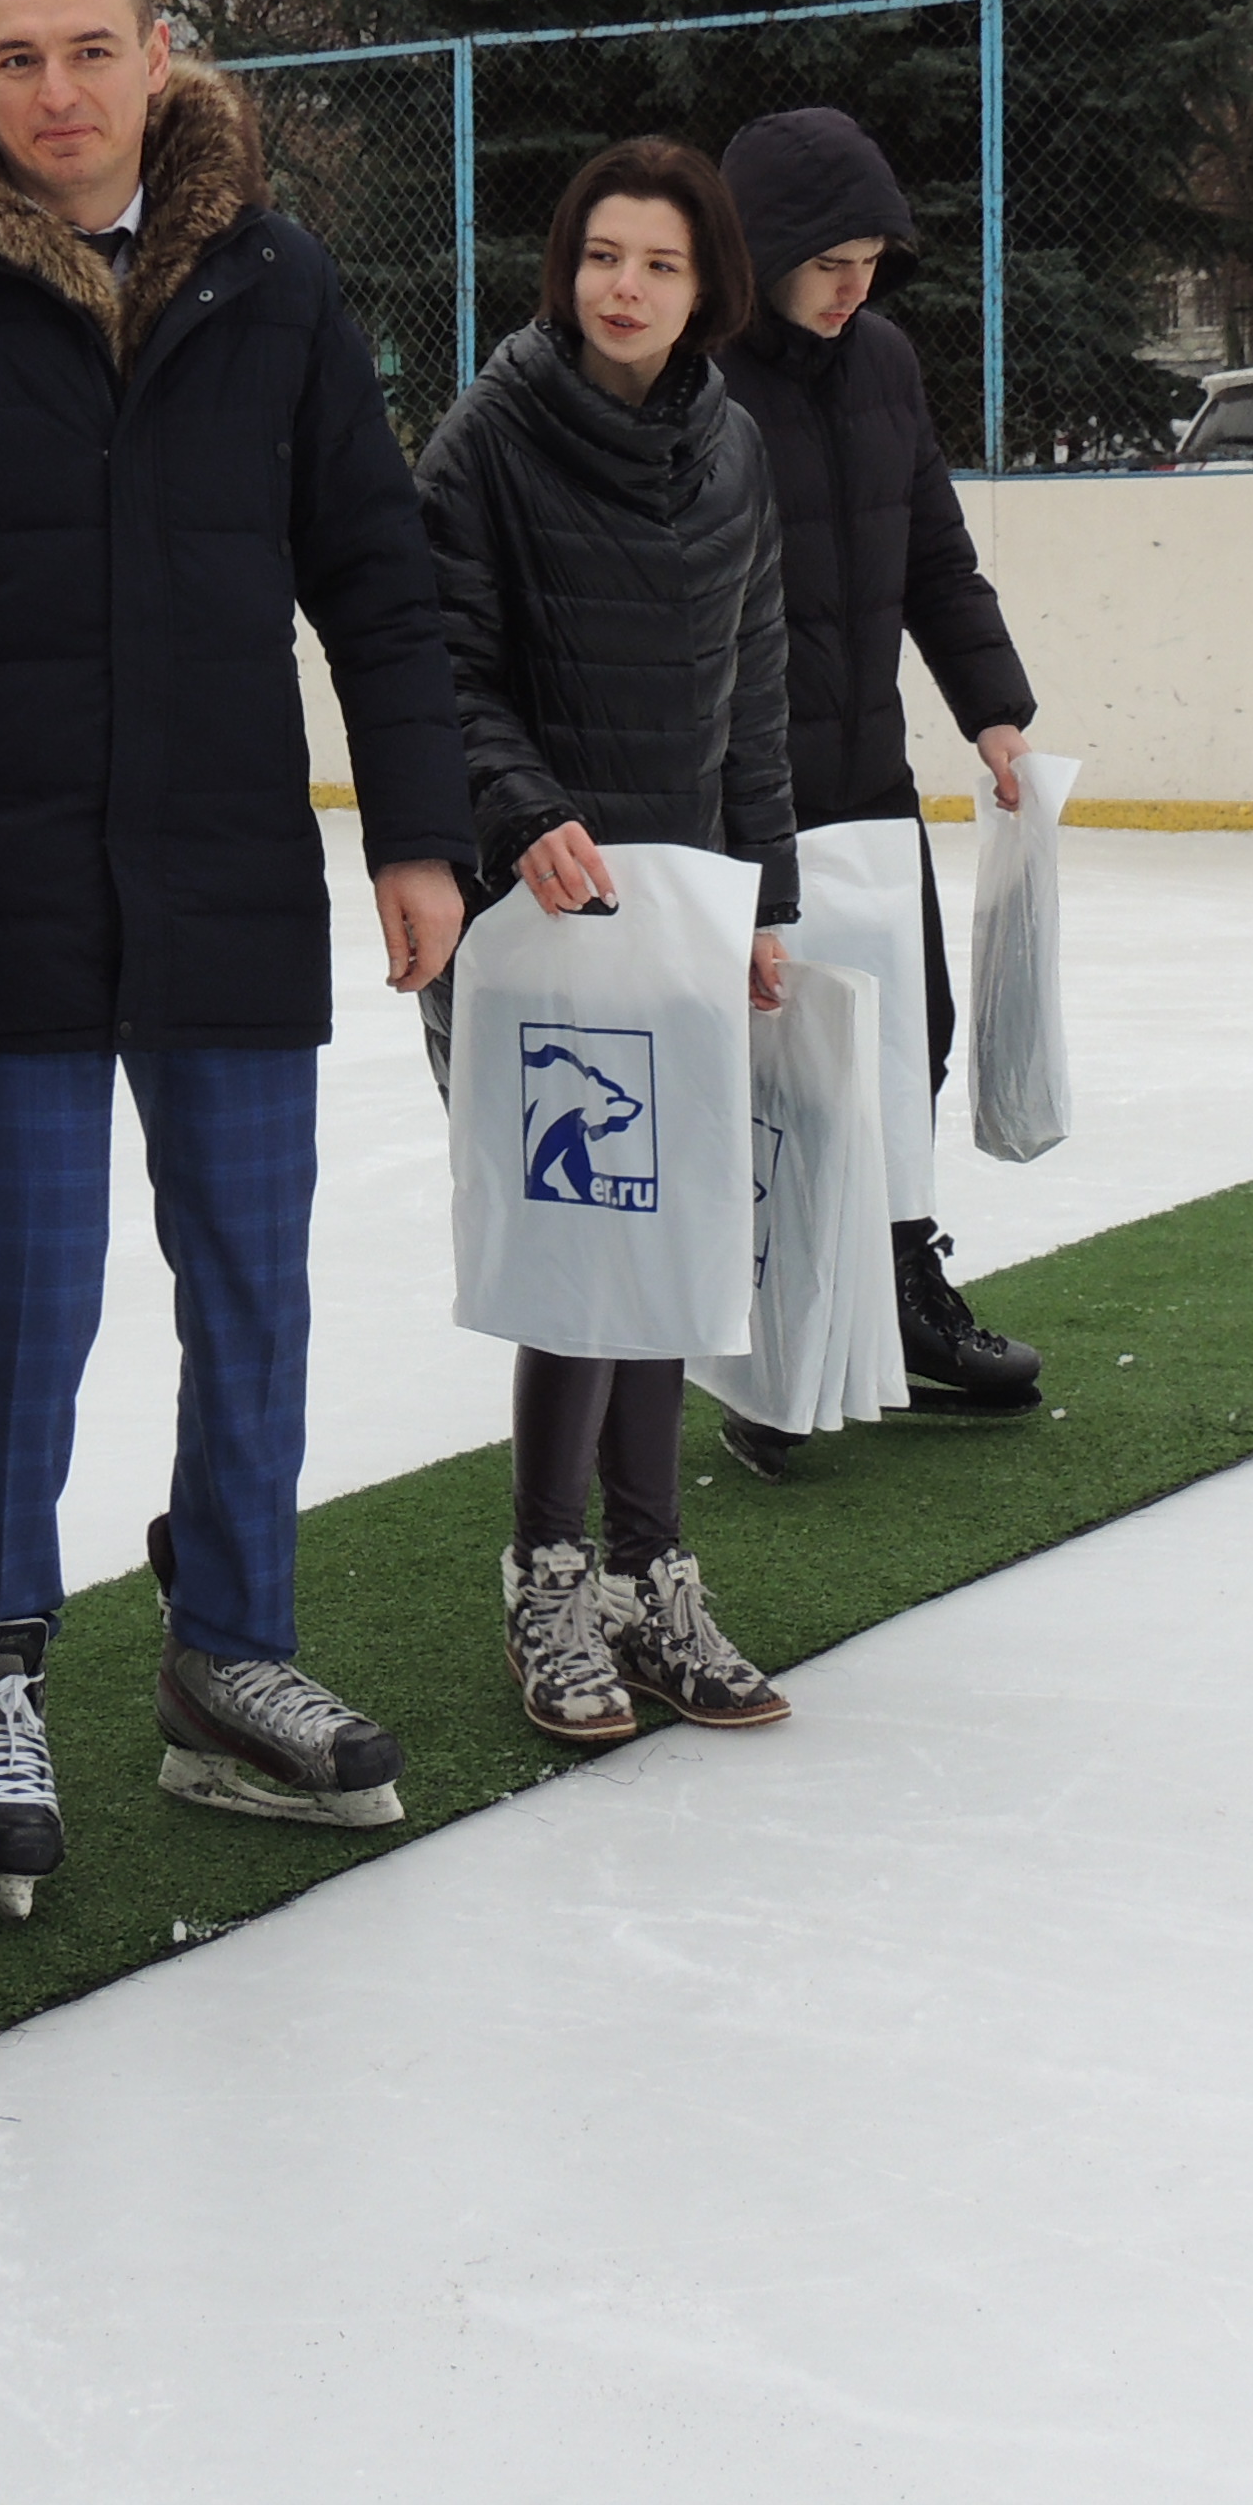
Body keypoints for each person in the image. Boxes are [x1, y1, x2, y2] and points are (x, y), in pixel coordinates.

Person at [0, 0, 474, 1913]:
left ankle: (231, 1650)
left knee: (257, 1288)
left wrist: (420, 831)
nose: (53, 93)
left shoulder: (275, 278)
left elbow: (376, 573)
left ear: (161, 56)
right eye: (12, 59)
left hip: (225, 865)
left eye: (87, 51)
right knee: (34, 1300)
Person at [416, 141, 801, 1743]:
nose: (623, 286)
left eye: (657, 262)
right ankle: (551, 1576)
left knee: (670, 1237)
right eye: (598, 257)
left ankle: (654, 1575)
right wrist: (521, 813)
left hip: (678, 910)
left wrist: (763, 897)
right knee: (581, 1251)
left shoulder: (731, 448)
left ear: (705, 285)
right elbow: (439, 663)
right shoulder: (489, 442)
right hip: (537, 917)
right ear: (563, 272)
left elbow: (754, 691)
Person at [712, 107, 1048, 1473]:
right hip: (742, 795)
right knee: (777, 1073)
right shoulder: (701, 381)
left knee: (905, 1047)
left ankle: (904, 1289)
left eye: (872, 261)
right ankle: (764, 1344)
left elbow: (936, 560)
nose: (855, 287)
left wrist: (998, 712)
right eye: (830, 261)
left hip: (867, 778)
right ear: (768, 251)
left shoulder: (887, 367)